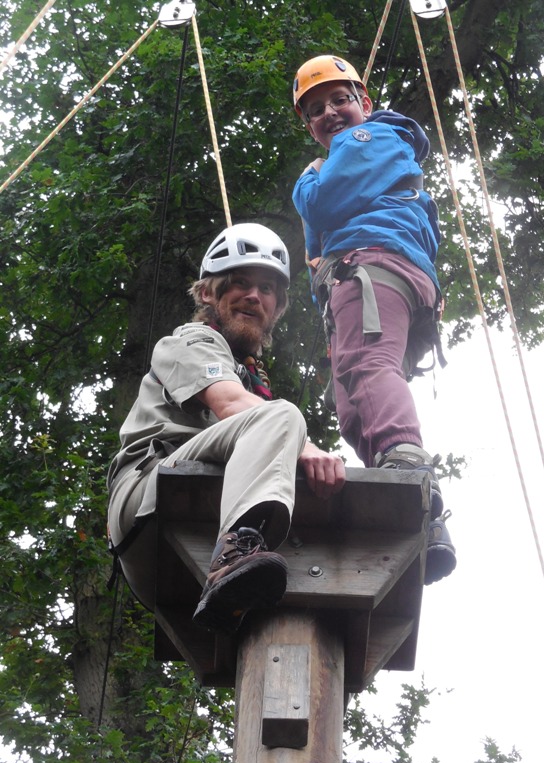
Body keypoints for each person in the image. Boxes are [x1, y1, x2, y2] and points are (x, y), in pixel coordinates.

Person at [107, 222, 346, 632]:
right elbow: (229, 403)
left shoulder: (249, 376)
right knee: (283, 417)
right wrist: (304, 445)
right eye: (240, 283)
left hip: (180, 554)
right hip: (147, 501)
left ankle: (237, 573)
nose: (254, 295)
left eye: (267, 289)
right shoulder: (190, 341)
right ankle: (233, 555)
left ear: (277, 308)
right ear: (206, 293)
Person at [291, 55, 455, 582]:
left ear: (364, 102)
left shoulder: (372, 138)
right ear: (309, 127)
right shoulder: (361, 151)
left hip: (372, 264)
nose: (330, 113)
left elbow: (320, 207)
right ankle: (420, 514)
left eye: (340, 100)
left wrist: (310, 180)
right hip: (362, 277)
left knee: (368, 368)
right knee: (351, 404)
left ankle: (407, 465)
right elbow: (316, 249)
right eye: (316, 110)